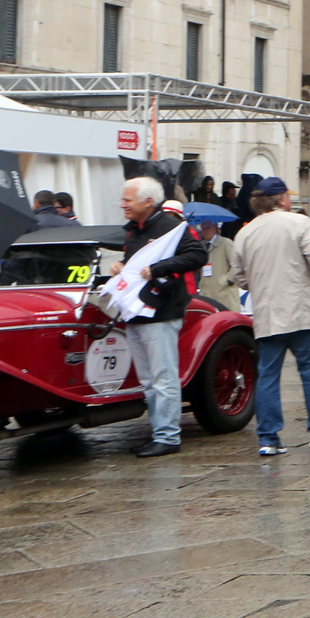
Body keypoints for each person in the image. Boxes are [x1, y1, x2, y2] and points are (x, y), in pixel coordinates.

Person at [232, 178, 310, 456]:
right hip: (301, 311)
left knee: (268, 376)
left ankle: (268, 437)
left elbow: (239, 277)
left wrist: (259, 282)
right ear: (281, 199)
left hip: (268, 314)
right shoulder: (297, 223)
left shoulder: (244, 234)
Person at [111, 176, 207, 457]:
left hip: (161, 312)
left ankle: (168, 436)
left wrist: (158, 269)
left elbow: (197, 255)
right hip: (137, 312)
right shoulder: (133, 230)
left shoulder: (170, 225)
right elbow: (136, 265)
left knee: (163, 377)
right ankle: (159, 433)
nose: (123, 205)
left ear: (148, 202)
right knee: (148, 379)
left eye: (128, 200)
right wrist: (121, 266)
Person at [195, 220, 240, 310]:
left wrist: (226, 280)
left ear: (215, 229)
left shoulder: (226, 243)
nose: (205, 231)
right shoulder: (201, 247)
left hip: (224, 293)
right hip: (207, 292)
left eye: (208, 228)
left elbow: (237, 264)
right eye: (203, 229)